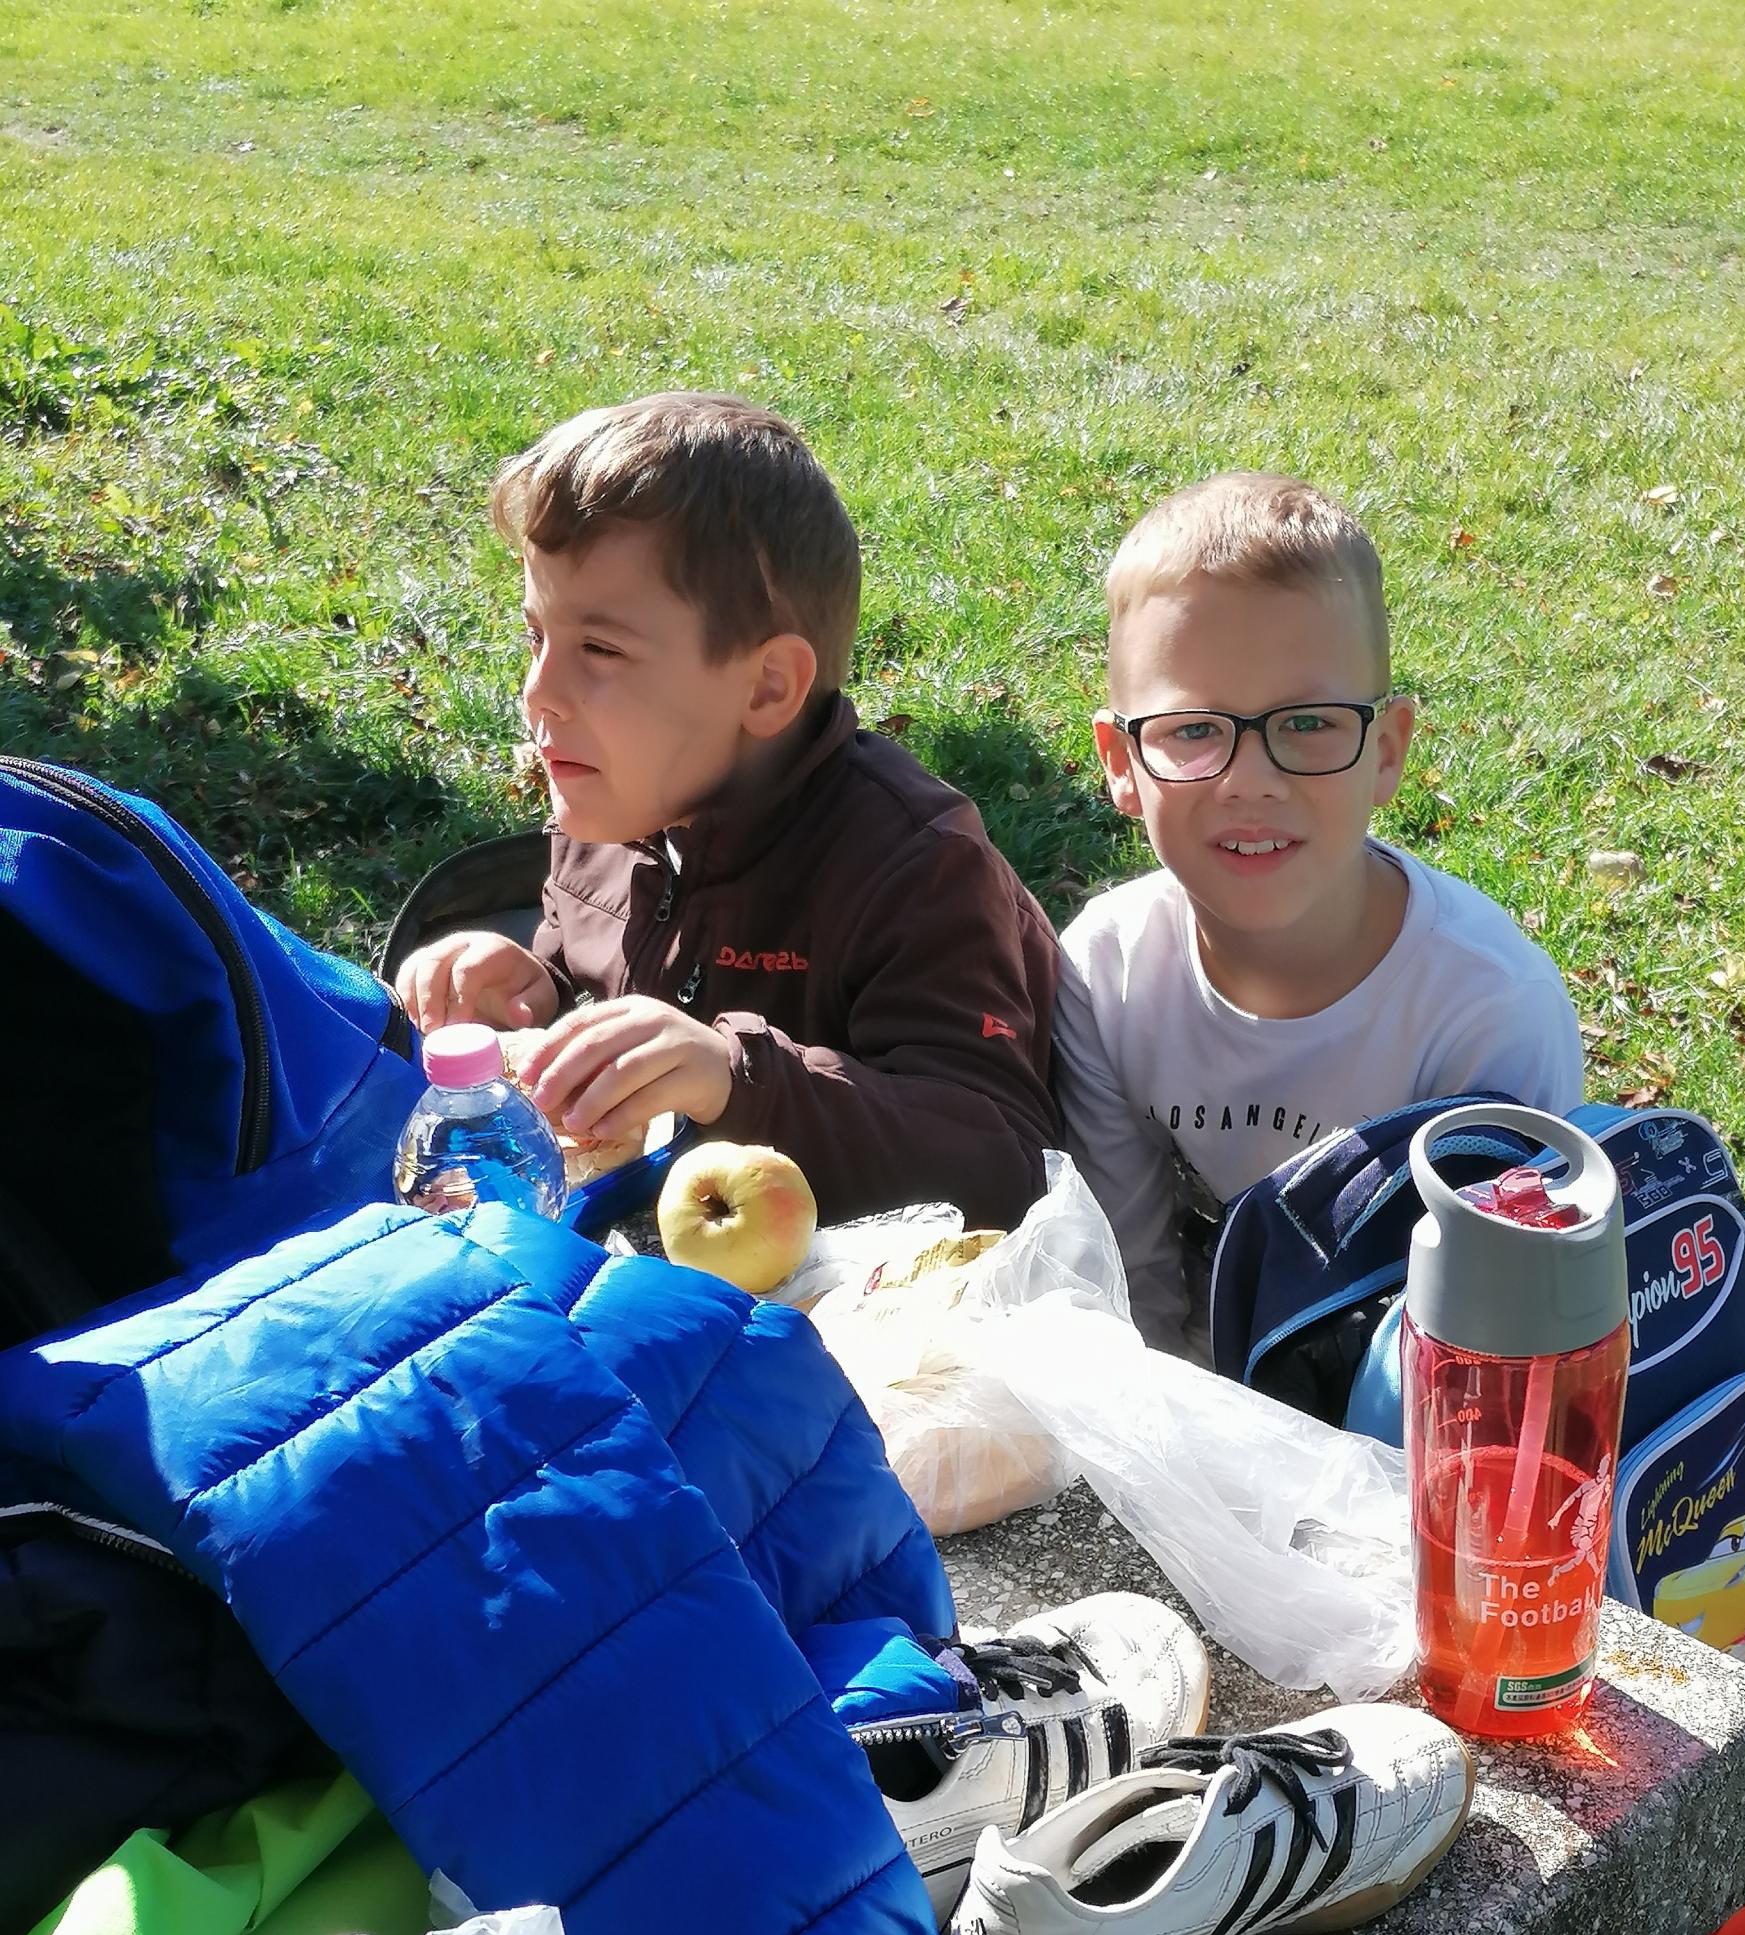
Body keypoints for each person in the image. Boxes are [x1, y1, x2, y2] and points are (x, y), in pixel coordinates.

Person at [397, 393, 1060, 1229]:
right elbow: (595, 973)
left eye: (599, 649)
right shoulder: (617, 811)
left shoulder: (916, 869)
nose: (539, 692)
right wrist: (538, 991)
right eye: (537, 638)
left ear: (767, 687)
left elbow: (1006, 1163)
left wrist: (734, 1079)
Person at [1053, 470, 1583, 1354]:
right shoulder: (1105, 974)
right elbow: (1126, 1284)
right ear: (1120, 762)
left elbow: (1507, 1345)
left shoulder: (1487, 1014)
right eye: (1193, 730)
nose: (1250, 780)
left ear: (1387, 750)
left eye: (1307, 724)